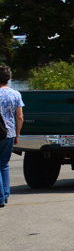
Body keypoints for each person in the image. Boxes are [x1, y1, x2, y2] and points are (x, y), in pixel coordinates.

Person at [0, 65, 24, 208]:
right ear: (9, 78)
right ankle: (6, 194)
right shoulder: (15, 94)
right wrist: (17, 133)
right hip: (9, 133)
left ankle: (1, 197)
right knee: (4, 164)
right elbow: (19, 116)